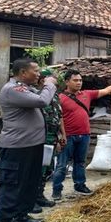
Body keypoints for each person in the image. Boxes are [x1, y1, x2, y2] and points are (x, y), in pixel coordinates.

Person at [52, 69, 111, 200]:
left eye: (80, 80)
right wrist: (62, 135)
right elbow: (59, 119)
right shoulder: (60, 98)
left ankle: (80, 185)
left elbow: (107, 90)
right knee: (61, 164)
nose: (79, 83)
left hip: (84, 134)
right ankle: (57, 190)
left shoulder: (86, 94)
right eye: (75, 80)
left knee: (80, 162)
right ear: (67, 82)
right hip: (68, 136)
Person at [0, 58, 57, 222]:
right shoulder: (12, 89)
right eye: (35, 71)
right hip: (16, 147)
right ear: (22, 73)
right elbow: (42, 101)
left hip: (32, 145)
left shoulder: (26, 88)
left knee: (29, 183)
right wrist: (50, 84)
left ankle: (21, 216)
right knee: (11, 185)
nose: (39, 74)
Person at [34, 69, 66, 209]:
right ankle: (32, 199)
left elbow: (59, 118)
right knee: (37, 169)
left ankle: (39, 196)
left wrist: (62, 135)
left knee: (47, 169)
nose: (56, 81)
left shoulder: (55, 96)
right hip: (40, 138)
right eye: (53, 78)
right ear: (43, 80)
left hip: (52, 138)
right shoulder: (36, 95)